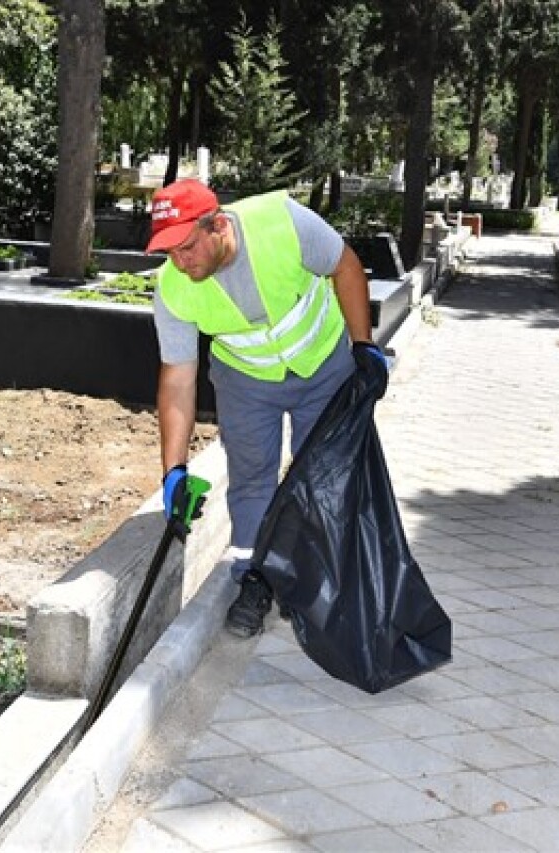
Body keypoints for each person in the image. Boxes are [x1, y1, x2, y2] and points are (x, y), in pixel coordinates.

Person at [148, 178, 388, 637]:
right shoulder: (173, 289)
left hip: (321, 365)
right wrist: (173, 471)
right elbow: (177, 378)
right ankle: (256, 578)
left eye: (188, 247)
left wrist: (364, 347)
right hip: (246, 381)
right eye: (170, 252)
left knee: (322, 475)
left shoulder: (284, 223)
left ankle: (320, 577)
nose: (181, 261)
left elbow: (347, 267)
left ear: (217, 225)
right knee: (252, 476)